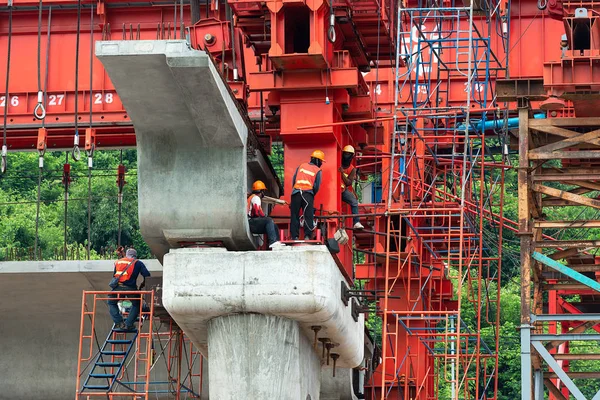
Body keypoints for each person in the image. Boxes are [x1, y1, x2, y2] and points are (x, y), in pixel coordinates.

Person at [108, 248, 151, 331]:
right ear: (135, 256)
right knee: (137, 304)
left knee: (111, 302)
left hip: (118, 287)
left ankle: (119, 322)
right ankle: (128, 324)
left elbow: (114, 276)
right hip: (131, 288)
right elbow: (147, 275)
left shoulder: (118, 262)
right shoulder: (138, 263)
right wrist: (144, 284)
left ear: (126, 255)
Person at [290, 150, 324, 240]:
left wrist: (295, 190)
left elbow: (294, 180)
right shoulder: (318, 170)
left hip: (296, 193)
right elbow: (317, 186)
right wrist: (312, 194)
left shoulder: (301, 166)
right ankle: (307, 236)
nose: (321, 163)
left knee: (294, 215)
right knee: (308, 215)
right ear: (318, 161)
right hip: (308, 194)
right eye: (321, 161)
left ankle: (295, 236)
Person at [248, 180, 285, 248]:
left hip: (252, 223)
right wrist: (264, 217)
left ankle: (276, 242)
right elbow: (257, 211)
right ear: (261, 191)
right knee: (269, 220)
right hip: (252, 223)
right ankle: (273, 241)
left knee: (274, 226)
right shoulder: (256, 198)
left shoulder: (252, 197)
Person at [340, 145, 364, 229]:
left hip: (342, 190)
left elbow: (349, 183)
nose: (346, 156)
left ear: (352, 156)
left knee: (354, 201)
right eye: (345, 153)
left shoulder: (352, 169)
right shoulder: (337, 161)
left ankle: (356, 222)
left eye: (349, 154)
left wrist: (342, 173)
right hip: (333, 189)